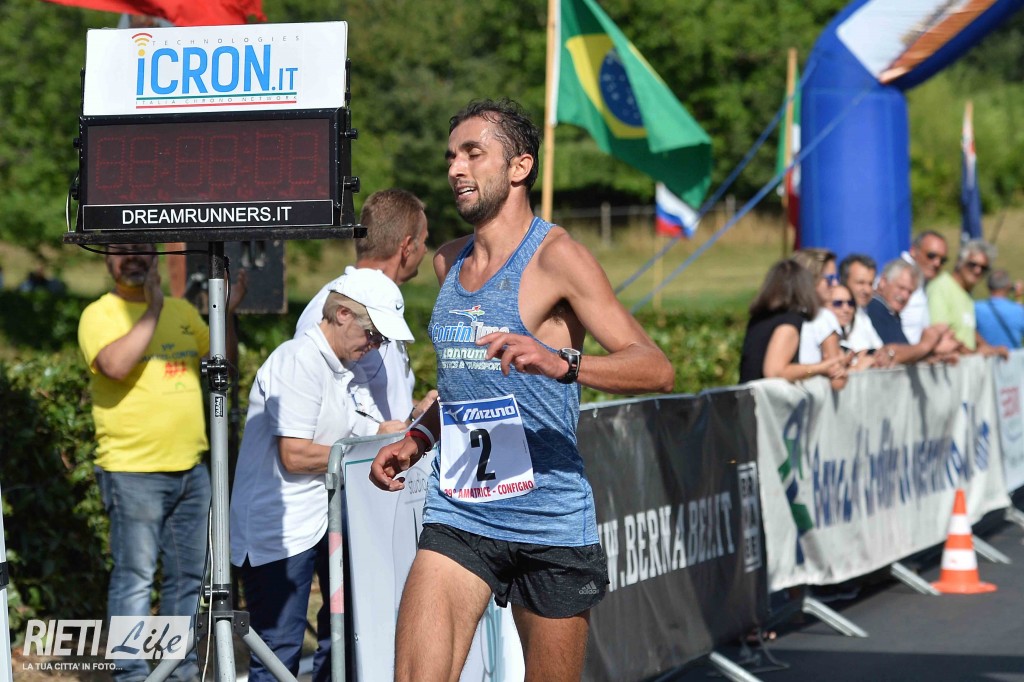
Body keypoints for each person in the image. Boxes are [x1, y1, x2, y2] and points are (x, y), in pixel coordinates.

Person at [368, 98, 674, 682]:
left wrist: (562, 363)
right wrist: (418, 438)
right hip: (461, 511)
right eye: (451, 157)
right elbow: (463, 384)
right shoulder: (447, 262)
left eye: (473, 154)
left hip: (548, 517)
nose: (456, 168)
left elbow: (655, 367)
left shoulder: (559, 258)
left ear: (519, 166)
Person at [230, 268, 415, 682]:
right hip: (279, 533)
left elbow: (358, 434)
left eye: (382, 339)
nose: (376, 346)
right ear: (342, 314)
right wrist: (370, 453)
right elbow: (295, 455)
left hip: (316, 524)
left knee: (341, 640)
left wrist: (401, 430)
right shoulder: (299, 360)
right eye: (373, 334)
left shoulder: (340, 368)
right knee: (277, 653)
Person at [77, 243, 246, 682]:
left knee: (187, 579)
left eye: (141, 249)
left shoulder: (182, 311)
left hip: (191, 470)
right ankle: (131, 673)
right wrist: (152, 308)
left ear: (155, 257)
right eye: (122, 251)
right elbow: (115, 365)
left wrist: (226, 313)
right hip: (132, 472)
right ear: (106, 259)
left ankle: (177, 670)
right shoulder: (99, 314)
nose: (133, 257)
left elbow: (224, 363)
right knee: (135, 577)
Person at [295, 188, 435, 428]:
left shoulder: (384, 306)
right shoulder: (332, 308)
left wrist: (418, 411)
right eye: (424, 242)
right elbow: (308, 407)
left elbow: (378, 403)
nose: (425, 251)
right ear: (407, 247)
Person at [739, 259, 848, 384]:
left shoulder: (759, 318)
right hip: (765, 395)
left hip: (746, 393)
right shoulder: (789, 321)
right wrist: (820, 368)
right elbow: (774, 372)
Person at [866, 258, 957, 365]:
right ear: (883, 281)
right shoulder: (874, 307)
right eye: (901, 287)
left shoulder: (892, 313)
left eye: (910, 292)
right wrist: (926, 344)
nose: (905, 296)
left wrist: (932, 353)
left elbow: (905, 352)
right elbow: (891, 354)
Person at [927, 238, 1008, 357]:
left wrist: (989, 348)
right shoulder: (941, 286)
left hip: (966, 366)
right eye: (972, 264)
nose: (977, 270)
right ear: (960, 261)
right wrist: (974, 355)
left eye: (983, 268)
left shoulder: (966, 294)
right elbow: (940, 334)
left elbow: (967, 330)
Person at [791, 248, 848, 389]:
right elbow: (837, 381)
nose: (835, 284)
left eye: (836, 278)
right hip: (810, 397)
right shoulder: (824, 317)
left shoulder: (783, 313)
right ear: (811, 279)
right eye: (829, 279)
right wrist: (845, 366)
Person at [900, 230, 948, 343]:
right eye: (931, 256)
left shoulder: (921, 280)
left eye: (943, 260)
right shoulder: (900, 276)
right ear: (913, 251)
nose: (937, 263)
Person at [838, 253, 883, 352]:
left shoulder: (868, 311)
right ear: (843, 281)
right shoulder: (835, 313)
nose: (867, 290)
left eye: (870, 284)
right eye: (860, 283)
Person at [976, 269, 1024, 349]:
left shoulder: (976, 308)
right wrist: (1019, 297)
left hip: (985, 356)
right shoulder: (1019, 311)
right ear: (1008, 286)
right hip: (1012, 356)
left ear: (988, 286)